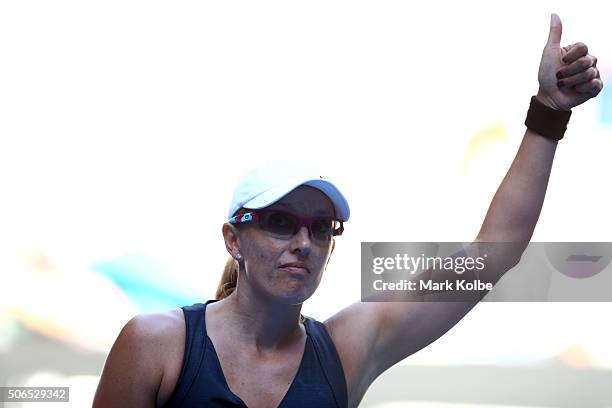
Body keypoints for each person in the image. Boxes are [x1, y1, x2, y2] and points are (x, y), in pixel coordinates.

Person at [93, 14, 603, 408]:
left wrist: (549, 112)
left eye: (321, 228)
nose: (303, 242)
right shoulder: (159, 344)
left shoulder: (346, 348)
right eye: (279, 222)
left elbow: (493, 254)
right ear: (233, 239)